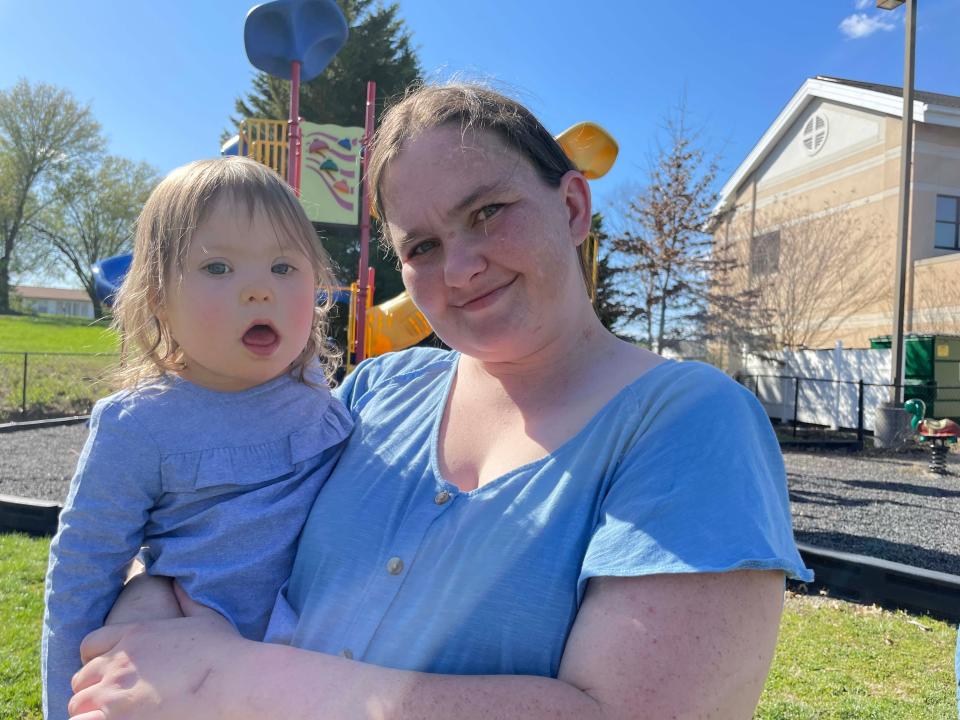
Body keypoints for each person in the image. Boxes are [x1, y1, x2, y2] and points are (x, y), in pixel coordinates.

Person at [68, 83, 812, 720]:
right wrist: (147, 616)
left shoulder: (687, 421)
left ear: (575, 206)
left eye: (487, 212)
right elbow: (215, 538)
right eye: (420, 246)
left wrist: (229, 675)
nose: (459, 267)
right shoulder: (369, 395)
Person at [42, 157, 352, 720]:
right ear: (157, 298)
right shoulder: (138, 424)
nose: (260, 290)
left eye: (285, 267)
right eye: (217, 268)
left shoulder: (319, 396)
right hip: (177, 675)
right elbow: (82, 571)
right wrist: (62, 704)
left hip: (306, 671)